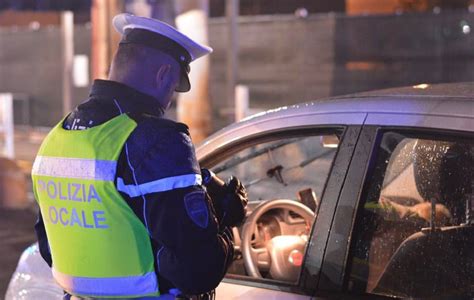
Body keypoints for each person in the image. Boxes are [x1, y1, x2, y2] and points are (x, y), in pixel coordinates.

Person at [31, 13, 248, 299]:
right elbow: (198, 270)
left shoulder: (57, 139)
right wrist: (222, 219)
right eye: (173, 87)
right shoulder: (158, 140)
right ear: (163, 75)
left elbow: (51, 247)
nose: (170, 98)